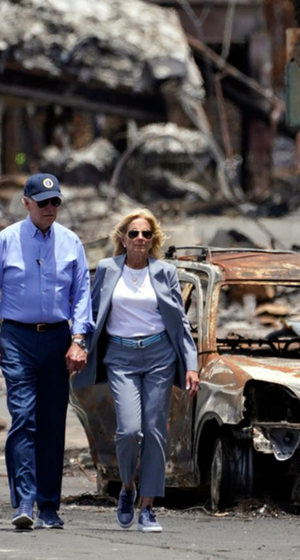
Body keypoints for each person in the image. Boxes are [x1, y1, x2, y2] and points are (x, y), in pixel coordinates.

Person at [0, 173, 93, 530]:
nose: (50, 209)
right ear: (26, 203)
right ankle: (24, 501)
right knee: (24, 417)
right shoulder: (6, 240)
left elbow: (82, 295)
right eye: (43, 203)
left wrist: (79, 339)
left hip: (57, 338)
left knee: (53, 424)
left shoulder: (71, 243)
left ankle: (50, 505)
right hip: (18, 339)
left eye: (55, 202)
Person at [72, 209, 199, 533]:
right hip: (121, 356)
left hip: (159, 356)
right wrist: (79, 345)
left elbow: (180, 324)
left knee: (155, 432)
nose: (140, 239)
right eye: (133, 234)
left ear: (153, 240)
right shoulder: (107, 269)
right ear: (122, 239)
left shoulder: (165, 272)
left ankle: (148, 507)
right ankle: (127, 486)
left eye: (146, 234)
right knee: (129, 430)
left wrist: (192, 365)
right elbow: (92, 313)